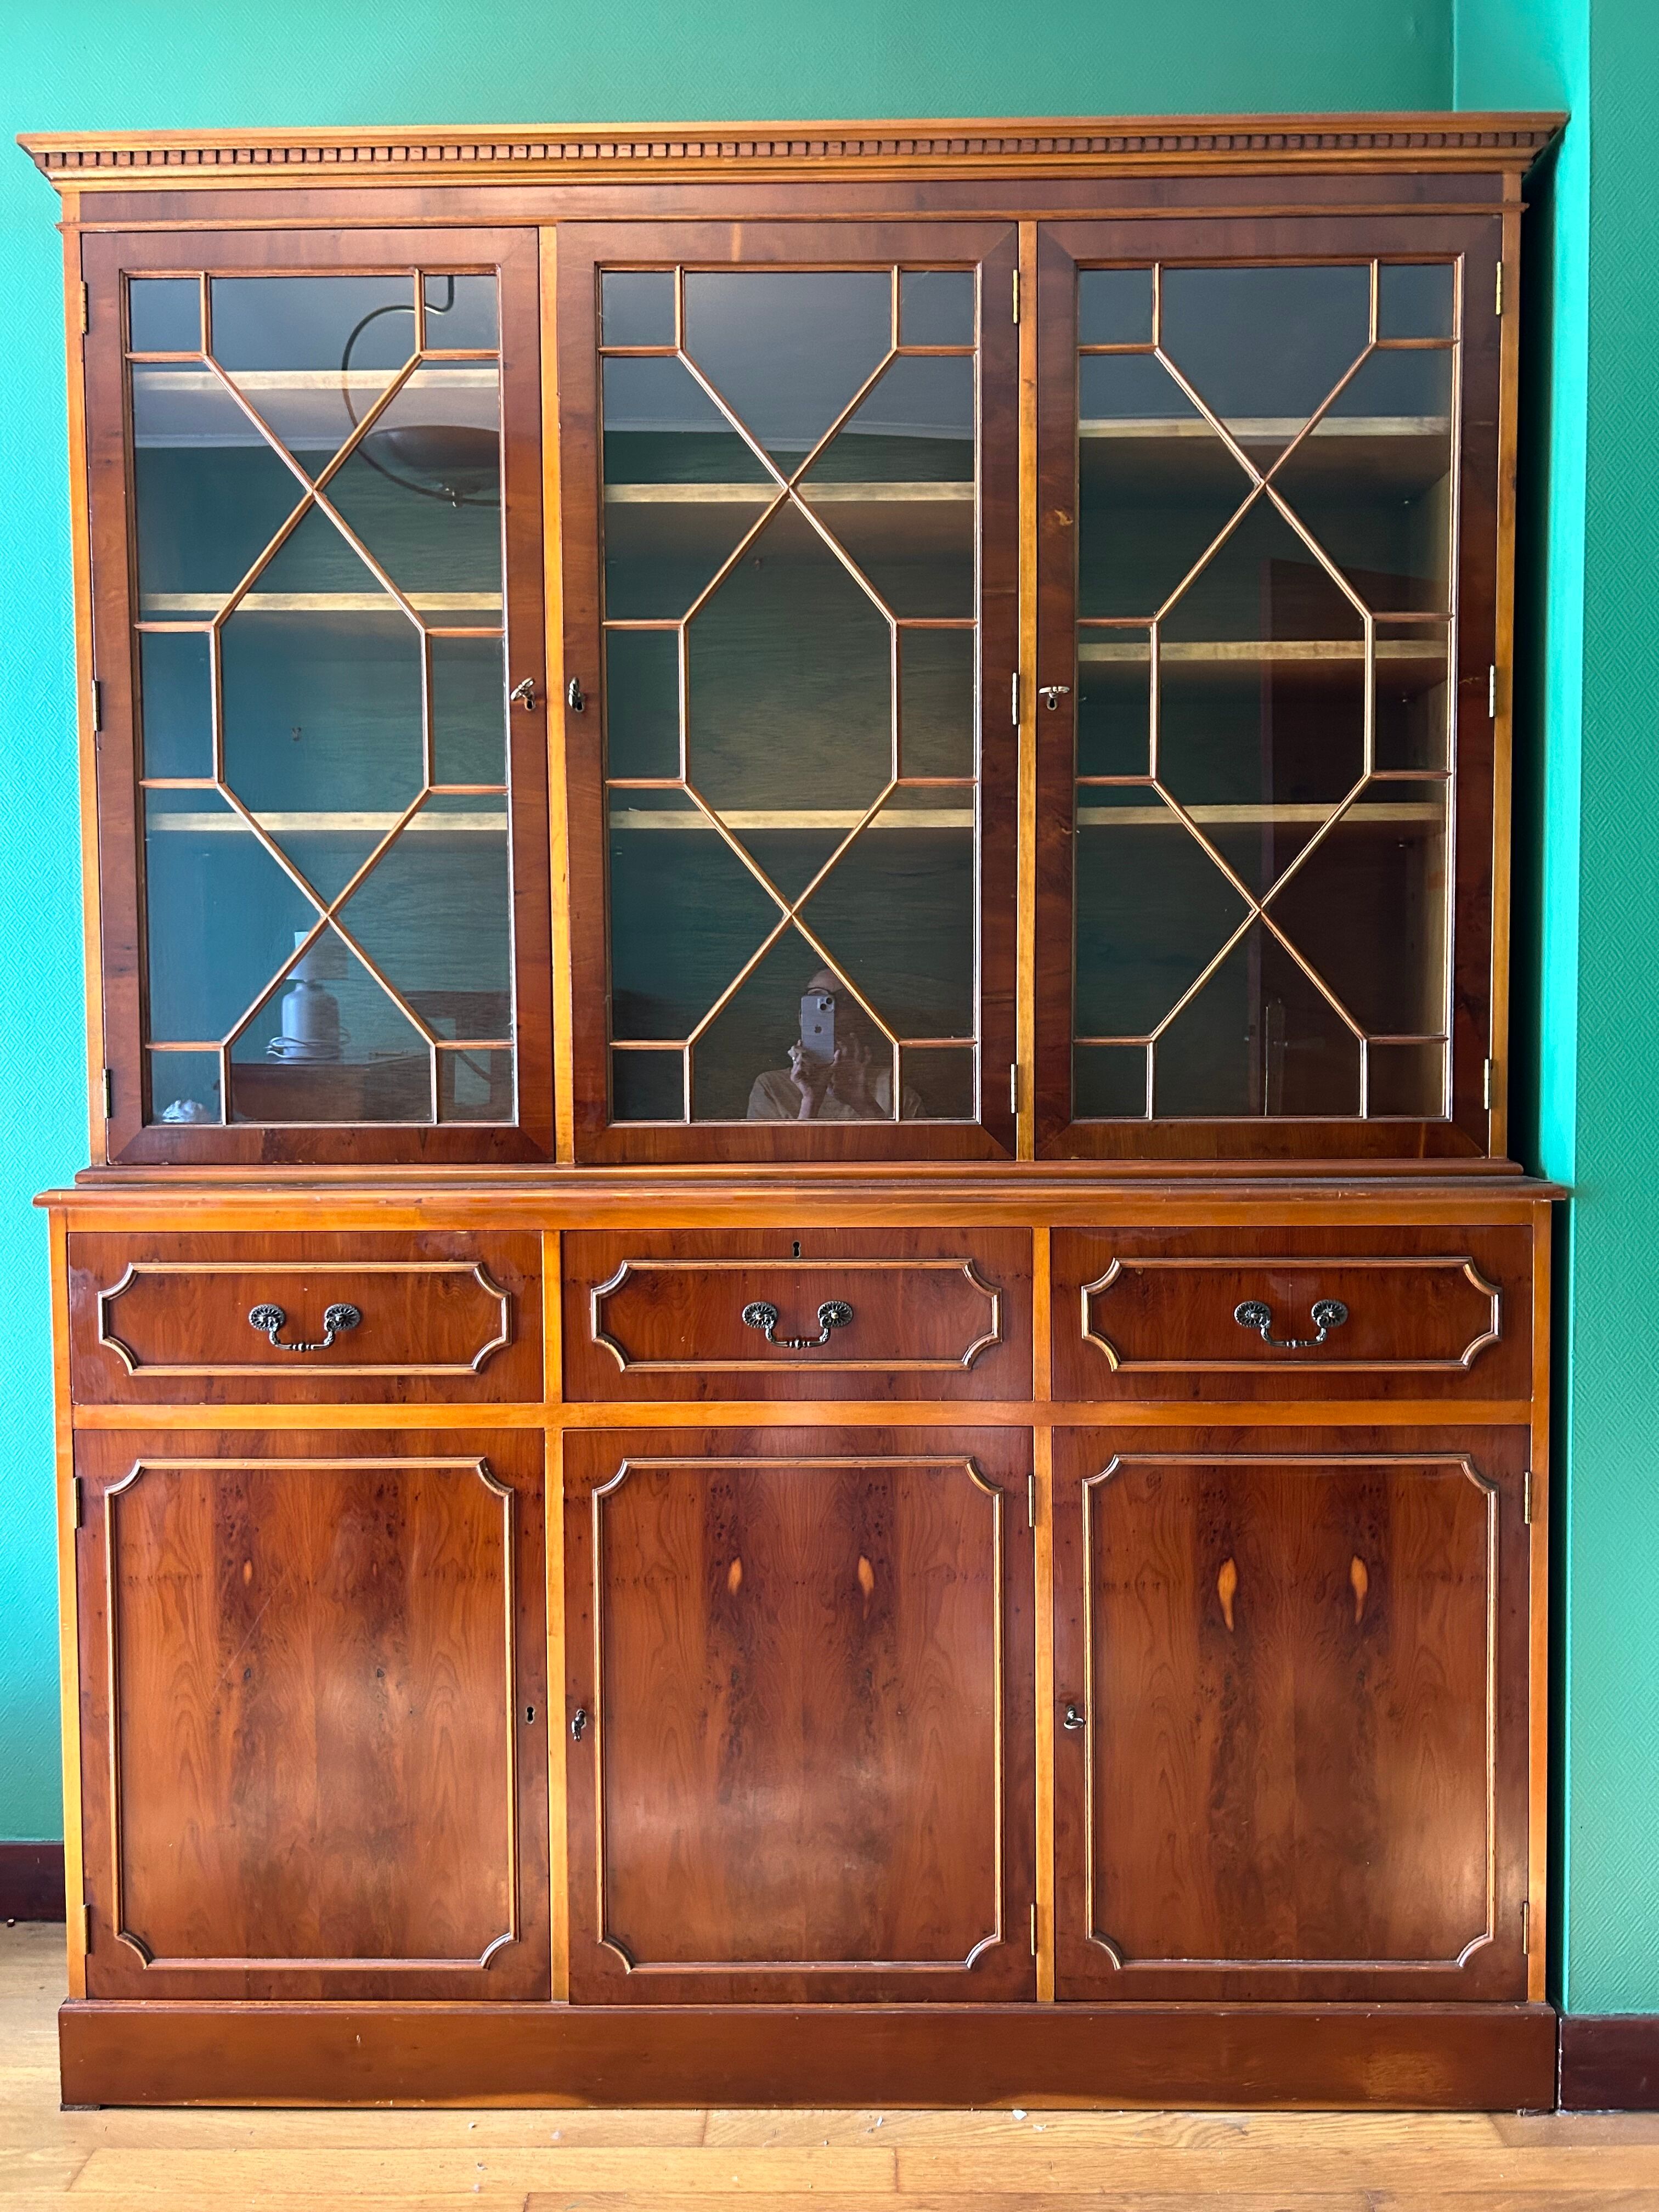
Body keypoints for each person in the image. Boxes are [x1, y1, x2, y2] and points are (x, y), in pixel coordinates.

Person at [746, 967, 925, 1120]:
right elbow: (773, 1160)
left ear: (862, 1015)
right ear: (802, 1016)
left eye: (845, 1001)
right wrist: (810, 1101)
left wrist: (863, 1103)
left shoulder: (892, 1087)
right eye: (817, 1000)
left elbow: (914, 1157)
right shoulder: (771, 1087)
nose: (831, 1012)